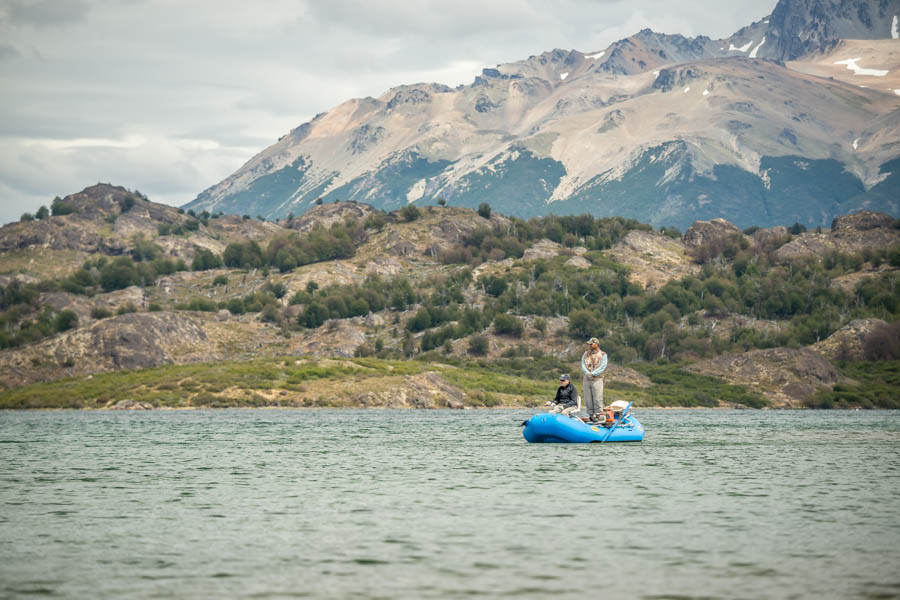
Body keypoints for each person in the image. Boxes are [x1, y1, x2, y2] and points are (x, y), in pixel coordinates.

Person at [581, 337, 607, 422]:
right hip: (586, 379)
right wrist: (587, 373)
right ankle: (591, 415)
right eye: (589, 344)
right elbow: (582, 364)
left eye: (591, 344)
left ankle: (598, 415)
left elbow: (602, 367)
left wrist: (593, 374)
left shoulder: (603, 354)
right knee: (588, 398)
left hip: (597, 380)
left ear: (596, 344)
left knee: (597, 398)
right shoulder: (585, 354)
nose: (589, 345)